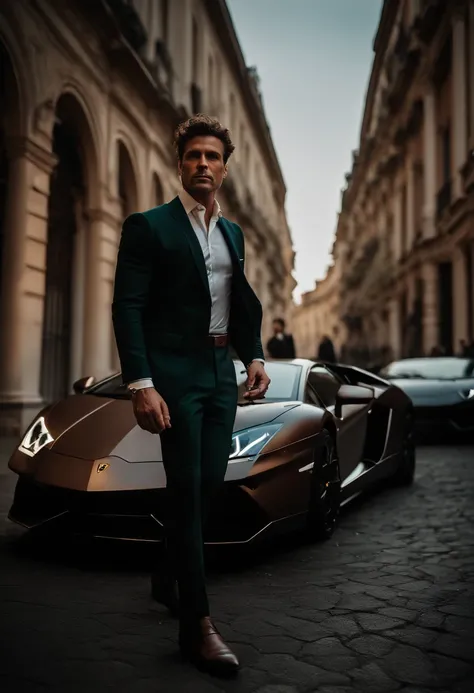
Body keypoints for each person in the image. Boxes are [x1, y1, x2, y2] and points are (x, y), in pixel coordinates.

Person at [112, 114, 270, 676]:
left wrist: (252, 354)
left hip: (218, 373)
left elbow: (238, 303)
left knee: (206, 485)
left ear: (225, 169)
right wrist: (142, 384)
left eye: (213, 157)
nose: (203, 164)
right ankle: (196, 626)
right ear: (180, 163)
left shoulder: (234, 234)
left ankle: (165, 573)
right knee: (185, 486)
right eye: (193, 156)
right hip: (173, 375)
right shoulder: (148, 226)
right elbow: (127, 306)